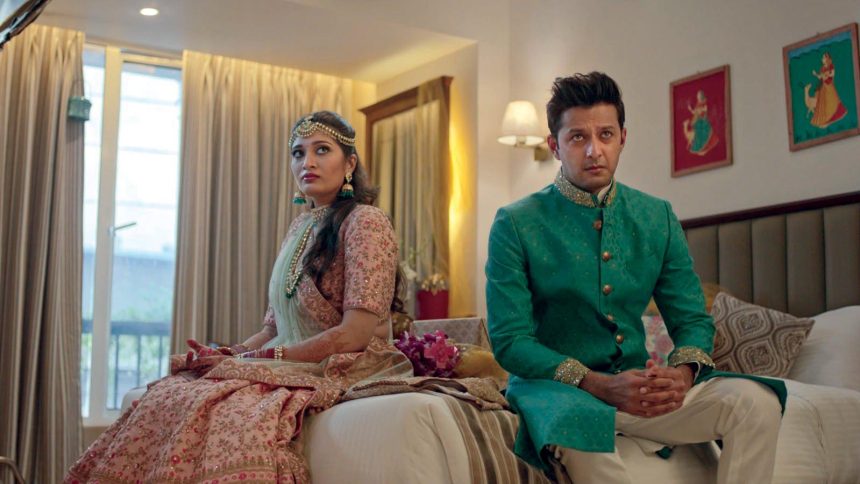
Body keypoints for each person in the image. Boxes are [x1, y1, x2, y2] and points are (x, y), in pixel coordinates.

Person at [66, 111, 409, 483]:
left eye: (321, 150)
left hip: (344, 362)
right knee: (173, 392)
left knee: (219, 405)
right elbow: (272, 328)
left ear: (350, 163)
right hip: (290, 360)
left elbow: (354, 335)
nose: (307, 162)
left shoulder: (366, 221)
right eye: (298, 153)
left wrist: (263, 359)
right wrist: (233, 353)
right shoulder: (300, 226)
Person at [485, 72, 786, 484]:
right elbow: (510, 341)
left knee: (757, 401)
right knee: (582, 435)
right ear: (555, 146)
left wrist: (680, 376)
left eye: (605, 134)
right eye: (577, 137)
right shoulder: (516, 223)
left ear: (623, 138)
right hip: (556, 392)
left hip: (639, 392)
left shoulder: (656, 216)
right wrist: (596, 383)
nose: (594, 150)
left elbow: (691, 319)